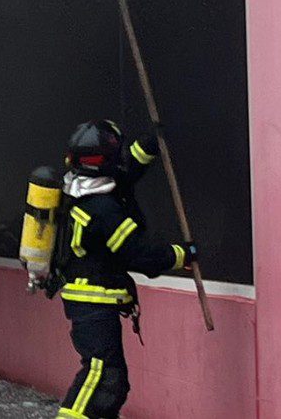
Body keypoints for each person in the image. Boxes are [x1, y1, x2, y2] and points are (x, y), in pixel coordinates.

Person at [53, 120, 196, 419]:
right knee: (102, 377)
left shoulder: (81, 188)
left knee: (113, 383)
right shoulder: (104, 210)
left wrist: (149, 144)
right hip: (93, 303)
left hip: (89, 300)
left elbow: (125, 170)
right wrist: (182, 254)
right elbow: (139, 254)